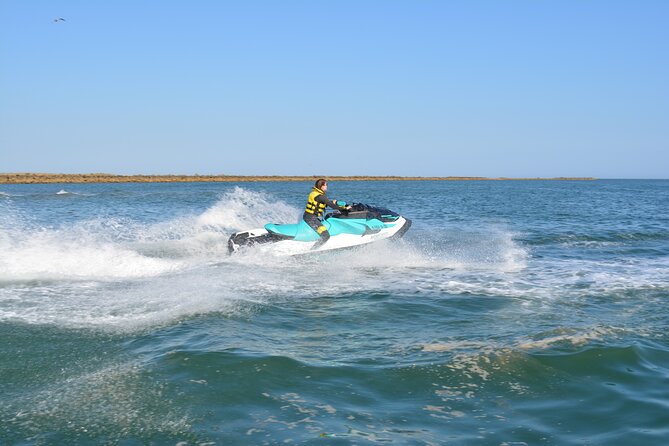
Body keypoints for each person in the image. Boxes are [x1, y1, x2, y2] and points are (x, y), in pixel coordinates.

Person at [303, 179, 351, 249]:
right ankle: (312, 250)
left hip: (308, 216)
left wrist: (332, 202)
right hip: (311, 219)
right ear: (321, 186)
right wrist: (345, 208)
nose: (327, 187)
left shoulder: (314, 193)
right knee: (325, 236)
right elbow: (333, 206)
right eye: (325, 185)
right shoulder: (321, 196)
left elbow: (321, 203)